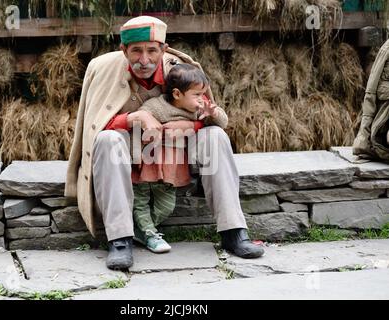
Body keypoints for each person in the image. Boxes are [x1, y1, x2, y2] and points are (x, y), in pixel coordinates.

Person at [65, 15, 264, 270]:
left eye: (152, 51)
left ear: (163, 49)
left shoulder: (183, 70)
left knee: (216, 137)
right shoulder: (102, 70)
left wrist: (190, 126)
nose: (144, 60)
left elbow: (209, 115)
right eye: (136, 51)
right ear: (123, 50)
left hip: (176, 150)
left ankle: (233, 232)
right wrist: (135, 117)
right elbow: (94, 129)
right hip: (133, 150)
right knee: (106, 140)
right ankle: (120, 240)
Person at [132, 63, 228, 254]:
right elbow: (138, 125)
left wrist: (213, 114)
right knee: (139, 201)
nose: (202, 99)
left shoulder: (198, 110)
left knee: (166, 206)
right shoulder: (156, 107)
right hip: (147, 164)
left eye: (203, 93)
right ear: (177, 94)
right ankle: (149, 233)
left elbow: (223, 123)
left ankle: (138, 230)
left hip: (171, 169)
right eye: (197, 94)